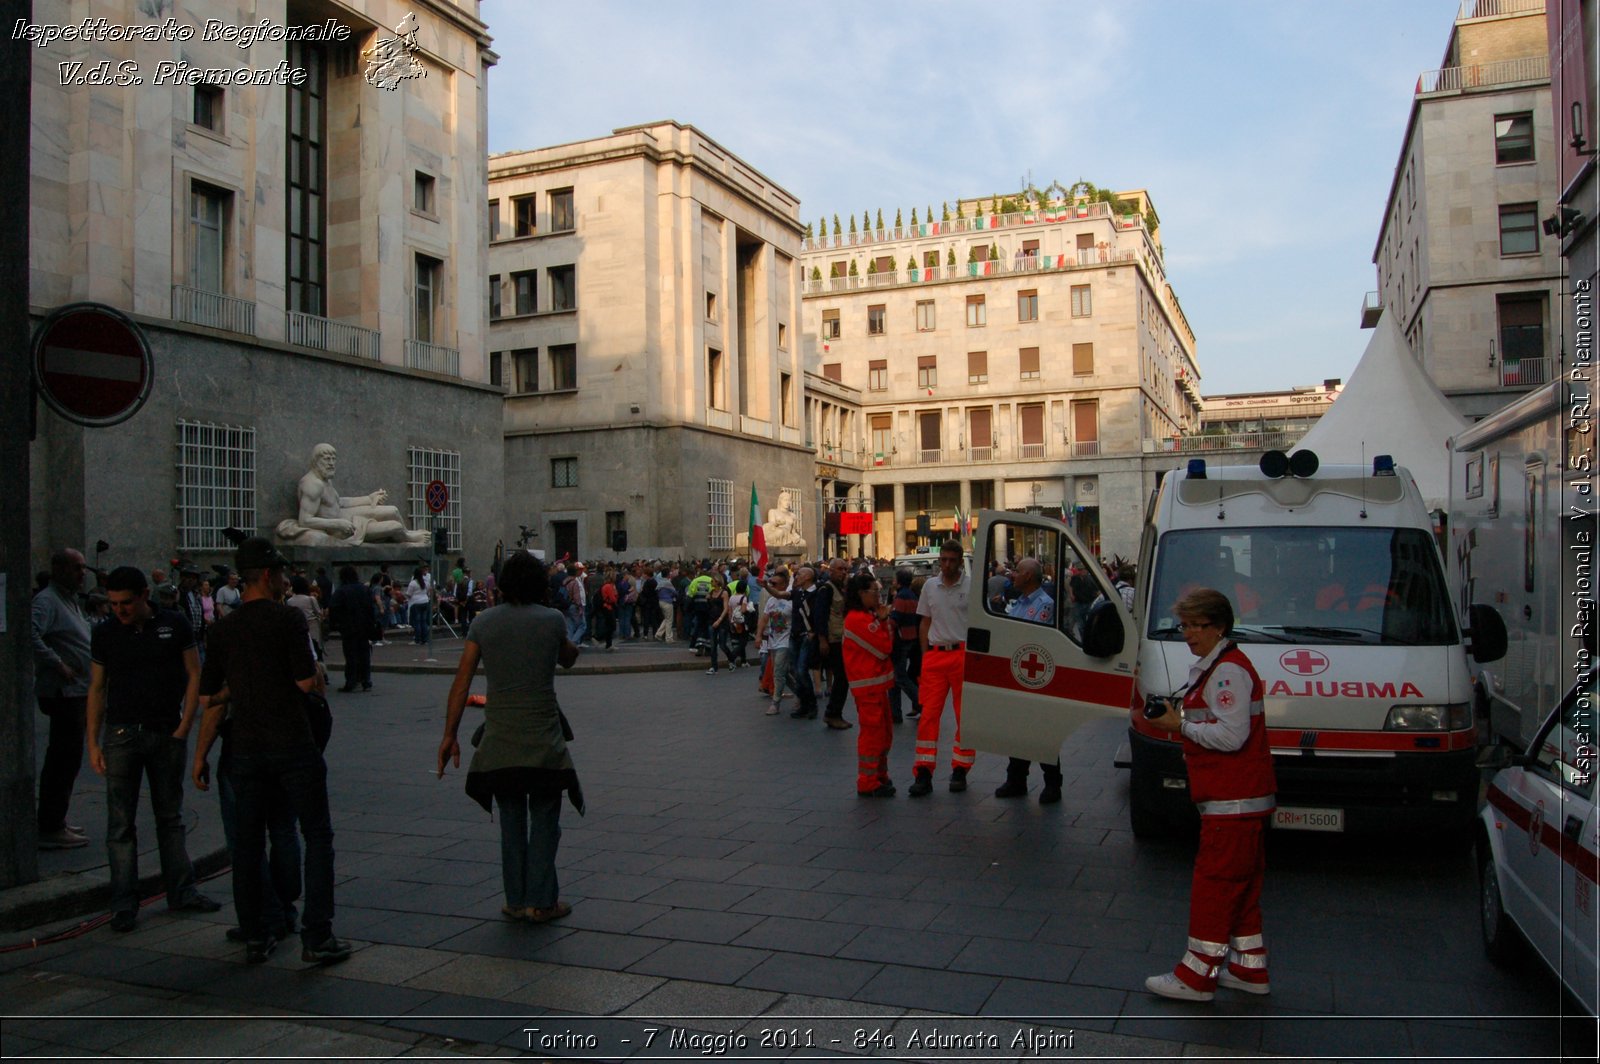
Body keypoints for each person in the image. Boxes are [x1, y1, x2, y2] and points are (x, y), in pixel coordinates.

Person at [192, 536, 351, 967]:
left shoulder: (222, 629)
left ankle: (257, 934)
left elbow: (208, 698)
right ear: (267, 575)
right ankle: (317, 935)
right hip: (292, 744)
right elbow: (304, 683)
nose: (283, 580)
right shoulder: (287, 621)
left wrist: (237, 692)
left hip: (246, 748)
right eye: (280, 573)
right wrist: (313, 672)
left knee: (246, 844)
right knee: (316, 836)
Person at [1144, 588, 1275, 1002]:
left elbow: (1231, 736)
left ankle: (1196, 977)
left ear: (1218, 626)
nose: (1187, 634)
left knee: (1214, 887)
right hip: (1241, 800)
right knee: (1241, 888)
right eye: (1184, 625)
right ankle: (1248, 969)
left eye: (1195, 626)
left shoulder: (1226, 671)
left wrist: (1177, 726)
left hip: (1231, 801)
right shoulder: (1220, 665)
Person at [437, 552, 581, 924]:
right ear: (539, 585)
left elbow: (462, 681)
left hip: (499, 740)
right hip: (544, 740)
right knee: (546, 818)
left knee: (511, 820)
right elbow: (569, 658)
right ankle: (542, 901)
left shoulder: (484, 623)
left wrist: (449, 735)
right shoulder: (551, 620)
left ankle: (515, 900)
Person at [86, 567, 221, 931]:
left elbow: (195, 672)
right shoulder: (105, 633)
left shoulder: (174, 624)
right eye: (113, 603)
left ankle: (181, 890)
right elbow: (97, 688)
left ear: (145, 595)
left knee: (170, 816)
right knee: (120, 823)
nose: (120, 610)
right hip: (121, 732)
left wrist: (184, 724)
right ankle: (124, 903)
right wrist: (92, 740)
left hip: (165, 731)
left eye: (126, 602)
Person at [31, 547, 93, 849]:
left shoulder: (69, 600)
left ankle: (57, 818)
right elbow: (30, 635)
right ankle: (51, 825)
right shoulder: (46, 601)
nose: (82, 574)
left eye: (83, 568)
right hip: (63, 692)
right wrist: (58, 664)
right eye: (76, 568)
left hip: (77, 690)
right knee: (62, 760)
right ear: (59, 570)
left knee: (68, 760)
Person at [994, 558, 1064, 804]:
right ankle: (1016, 779)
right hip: (1017, 674)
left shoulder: (1044, 605)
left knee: (1041, 732)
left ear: (1030, 577)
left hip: (1036, 678)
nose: (1014, 575)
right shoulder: (1019, 602)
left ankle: (1053, 783)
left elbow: (1033, 638)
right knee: (1018, 730)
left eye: (1019, 571)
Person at [911, 540, 971, 796]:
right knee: (928, 715)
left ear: (959, 561)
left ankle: (960, 769)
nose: (946, 565)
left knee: (965, 716)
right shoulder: (930, 586)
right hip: (935, 656)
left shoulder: (971, 586)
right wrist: (925, 657)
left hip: (963, 655)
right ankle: (923, 771)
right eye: (943, 560)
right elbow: (925, 622)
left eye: (951, 560)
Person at [282, 442, 429, 546]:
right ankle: (407, 537)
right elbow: (305, 521)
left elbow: (338, 502)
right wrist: (338, 524)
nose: (332, 463)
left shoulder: (325, 480)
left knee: (393, 510)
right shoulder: (312, 484)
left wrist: (368, 498)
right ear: (316, 461)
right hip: (340, 528)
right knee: (395, 526)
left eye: (333, 459)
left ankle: (407, 533)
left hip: (343, 515)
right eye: (327, 459)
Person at [842, 573, 895, 797]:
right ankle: (867, 780)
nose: (878, 596)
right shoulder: (858, 619)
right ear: (861, 594)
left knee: (884, 733)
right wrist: (883, 622)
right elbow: (885, 646)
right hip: (868, 686)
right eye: (874, 591)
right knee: (873, 734)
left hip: (876, 685)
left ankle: (879, 775)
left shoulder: (867, 615)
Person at [815, 558, 854, 731]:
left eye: (845, 569)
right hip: (833, 640)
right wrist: (822, 640)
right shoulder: (826, 589)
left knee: (842, 679)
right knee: (842, 678)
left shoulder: (841, 589)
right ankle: (833, 713)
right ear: (831, 571)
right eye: (840, 569)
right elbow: (820, 616)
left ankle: (834, 713)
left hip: (842, 638)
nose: (843, 572)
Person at [328, 566, 376, 692]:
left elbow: (333, 608)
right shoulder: (365, 589)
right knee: (364, 654)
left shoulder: (341, 591)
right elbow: (371, 608)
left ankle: (351, 681)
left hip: (349, 627)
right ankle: (366, 680)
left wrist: (336, 624)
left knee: (351, 655)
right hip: (364, 627)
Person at [755, 569, 793, 714]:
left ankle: (775, 703)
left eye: (775, 583)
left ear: (784, 584)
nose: (772, 585)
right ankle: (803, 693)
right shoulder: (771, 601)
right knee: (783, 672)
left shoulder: (790, 600)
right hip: (772, 640)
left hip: (786, 640)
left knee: (777, 670)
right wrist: (759, 635)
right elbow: (764, 619)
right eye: (771, 583)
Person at [888, 567, 921, 725]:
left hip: (900, 640)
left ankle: (921, 702)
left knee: (899, 677)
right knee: (895, 678)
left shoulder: (901, 597)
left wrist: (887, 618)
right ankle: (895, 712)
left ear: (899, 581)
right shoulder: (912, 596)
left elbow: (895, 619)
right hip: (910, 637)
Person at [406, 565, 432, 650]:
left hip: (416, 602)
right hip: (425, 601)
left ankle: (417, 639)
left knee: (417, 622)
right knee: (424, 621)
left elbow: (409, 594)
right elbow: (428, 590)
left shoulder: (413, 583)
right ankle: (425, 639)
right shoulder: (425, 582)